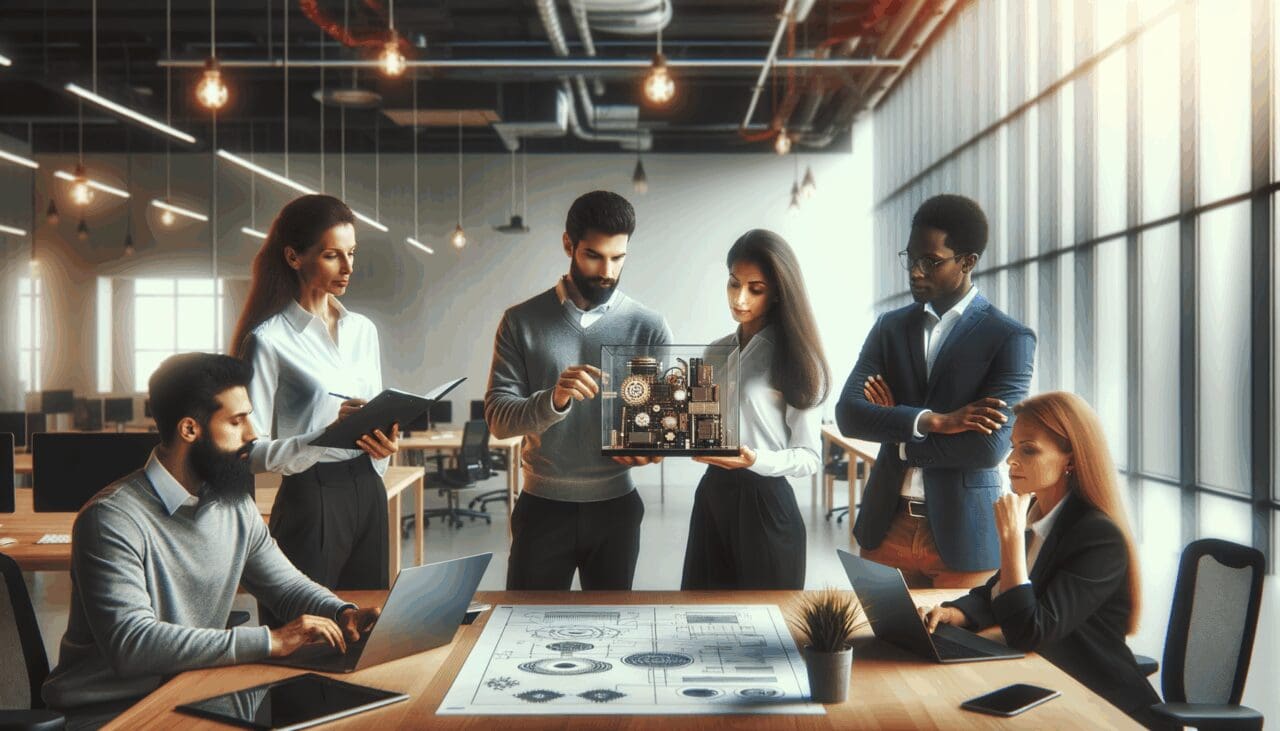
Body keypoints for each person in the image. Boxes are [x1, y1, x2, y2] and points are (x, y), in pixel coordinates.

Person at [42, 353, 380, 730]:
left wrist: (341, 613)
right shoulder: (111, 519)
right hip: (112, 713)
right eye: (237, 421)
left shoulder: (234, 506)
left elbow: (285, 585)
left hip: (194, 691)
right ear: (190, 429)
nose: (252, 434)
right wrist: (270, 640)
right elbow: (132, 645)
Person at [919, 392, 1162, 727]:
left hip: (1107, 709)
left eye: (1028, 449)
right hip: (1053, 689)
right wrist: (954, 613)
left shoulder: (1097, 537)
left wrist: (1010, 540)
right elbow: (999, 593)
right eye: (1014, 446)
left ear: (1071, 460)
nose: (1010, 461)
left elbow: (1029, 631)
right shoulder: (1039, 513)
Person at [836, 193, 1036, 588]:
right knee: (880, 647)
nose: (914, 271)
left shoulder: (1008, 338)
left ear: (967, 262)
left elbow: (988, 448)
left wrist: (899, 436)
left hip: (964, 536)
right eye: (910, 258)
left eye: (930, 261)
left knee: (955, 649)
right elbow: (849, 414)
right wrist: (936, 421)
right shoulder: (889, 328)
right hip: (885, 526)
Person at [485, 190, 672, 591]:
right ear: (568, 244)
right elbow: (499, 420)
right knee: (522, 630)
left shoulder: (650, 327)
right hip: (542, 509)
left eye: (618, 258)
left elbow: (660, 428)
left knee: (612, 636)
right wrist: (554, 399)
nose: (607, 270)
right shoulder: (520, 321)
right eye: (594, 255)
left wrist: (655, 449)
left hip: (617, 511)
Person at [229, 194, 399, 625]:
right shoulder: (268, 340)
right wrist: (325, 434)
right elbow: (248, 452)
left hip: (369, 490)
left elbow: (373, 408)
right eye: (331, 255)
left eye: (352, 254)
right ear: (293, 256)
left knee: (369, 625)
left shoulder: (363, 330)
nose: (348, 267)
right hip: (312, 498)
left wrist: (383, 442)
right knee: (307, 631)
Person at [681, 229, 829, 590]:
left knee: (766, 628)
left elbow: (809, 457)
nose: (740, 298)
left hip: (766, 500)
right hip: (713, 494)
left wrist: (755, 459)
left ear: (778, 291)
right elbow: (703, 425)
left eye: (755, 289)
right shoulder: (713, 353)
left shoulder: (795, 358)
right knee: (699, 617)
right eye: (734, 284)